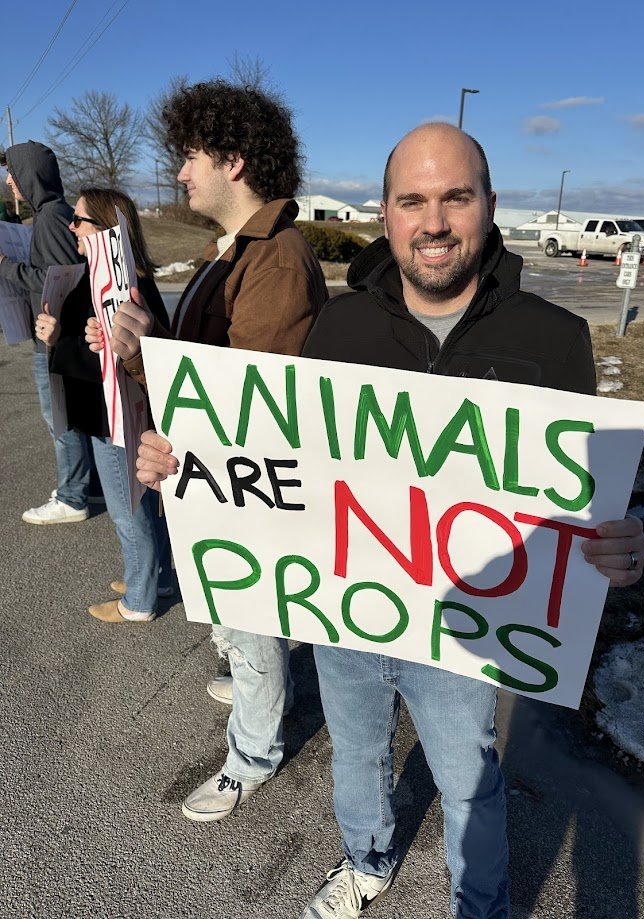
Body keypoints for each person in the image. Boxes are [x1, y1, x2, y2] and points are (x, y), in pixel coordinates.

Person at [136, 122, 644, 918]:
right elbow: (278, 458)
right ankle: (367, 858)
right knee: (358, 752)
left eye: (455, 197)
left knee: (468, 777)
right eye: (412, 201)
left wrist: (617, 549)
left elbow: (577, 504)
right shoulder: (338, 329)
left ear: (487, 204)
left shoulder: (554, 339)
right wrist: (189, 467)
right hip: (342, 609)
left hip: (467, 630)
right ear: (385, 212)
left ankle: (480, 903)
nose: (433, 221)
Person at [85, 80, 328, 819]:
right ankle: (257, 685)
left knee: (251, 614)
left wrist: (150, 355)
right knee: (237, 617)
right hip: (211, 474)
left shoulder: (276, 259)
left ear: (233, 158)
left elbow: (238, 397)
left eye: (189, 156)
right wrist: (134, 351)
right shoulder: (231, 250)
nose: (179, 173)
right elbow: (195, 369)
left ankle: (250, 753)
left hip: (242, 488)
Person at [35, 187, 173, 622]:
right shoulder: (100, 278)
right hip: (107, 414)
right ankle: (156, 576)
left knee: (127, 509)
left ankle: (139, 599)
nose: (72, 227)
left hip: (113, 418)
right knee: (142, 505)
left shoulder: (125, 288)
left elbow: (112, 365)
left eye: (80, 221)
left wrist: (59, 341)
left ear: (108, 230)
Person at [0, 142, 93, 524]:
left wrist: (6, 266)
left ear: (30, 175)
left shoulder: (52, 217)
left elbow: (57, 279)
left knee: (60, 417)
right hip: (54, 335)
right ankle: (82, 486)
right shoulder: (52, 214)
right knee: (65, 414)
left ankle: (73, 497)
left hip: (53, 339)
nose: (8, 181)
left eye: (14, 172)